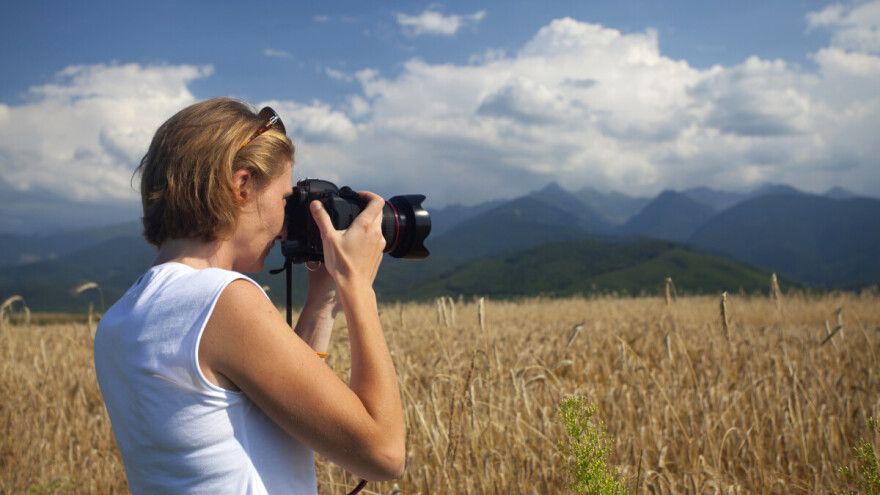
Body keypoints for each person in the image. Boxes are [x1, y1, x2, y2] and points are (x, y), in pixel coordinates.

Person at [94, 97, 405, 494]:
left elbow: (280, 411)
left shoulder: (121, 319)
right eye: (283, 199)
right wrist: (357, 285)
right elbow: (384, 454)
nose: (284, 224)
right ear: (242, 185)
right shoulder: (222, 301)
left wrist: (321, 302)